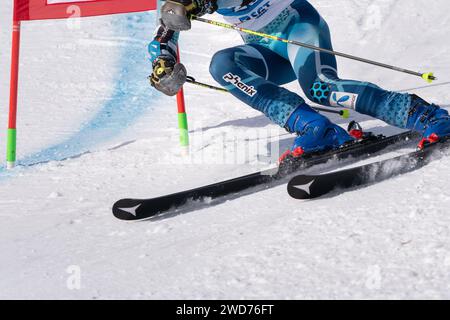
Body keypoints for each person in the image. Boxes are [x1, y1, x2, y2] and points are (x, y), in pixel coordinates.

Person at [148, 0, 450, 160]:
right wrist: (163, 63)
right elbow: (166, 30)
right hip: (266, 48)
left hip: (297, 26)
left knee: (321, 89)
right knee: (223, 65)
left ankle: (426, 114)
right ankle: (316, 129)